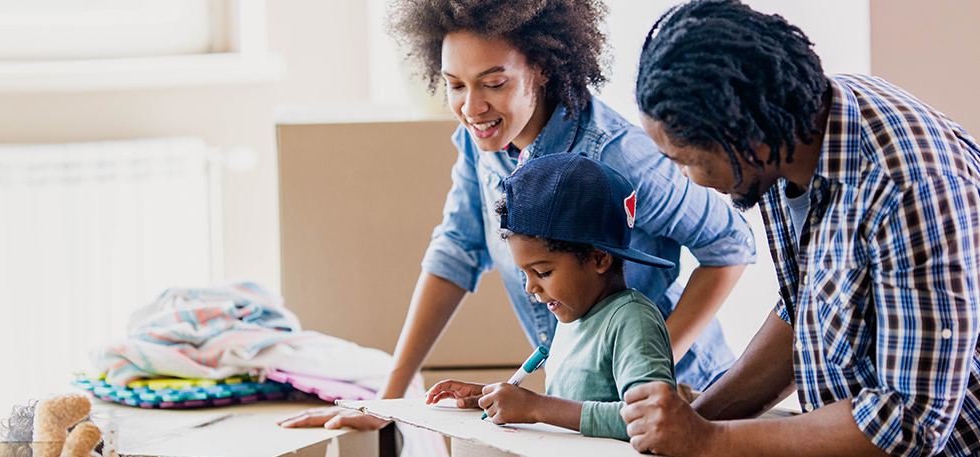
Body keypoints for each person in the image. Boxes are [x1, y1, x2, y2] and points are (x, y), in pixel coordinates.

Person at [279, 0, 755, 432]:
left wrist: (641, 362)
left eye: (494, 83)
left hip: (682, 401)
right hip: (585, 406)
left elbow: (730, 243)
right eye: (455, 85)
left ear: (544, 68)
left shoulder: (617, 156)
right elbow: (457, 250)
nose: (472, 107)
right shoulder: (480, 141)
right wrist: (386, 403)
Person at [621, 1, 980, 456]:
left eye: (690, 161)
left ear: (744, 134)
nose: (692, 180)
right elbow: (807, 311)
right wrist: (694, 420)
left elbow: (909, 422)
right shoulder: (789, 140)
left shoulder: (909, 187)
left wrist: (708, 440)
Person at [426, 153, 677, 441]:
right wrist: (492, 398)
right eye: (525, 274)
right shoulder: (575, 316)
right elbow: (574, 408)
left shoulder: (632, 320)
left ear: (599, 258)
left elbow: (652, 418)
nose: (530, 288)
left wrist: (537, 407)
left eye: (542, 272)